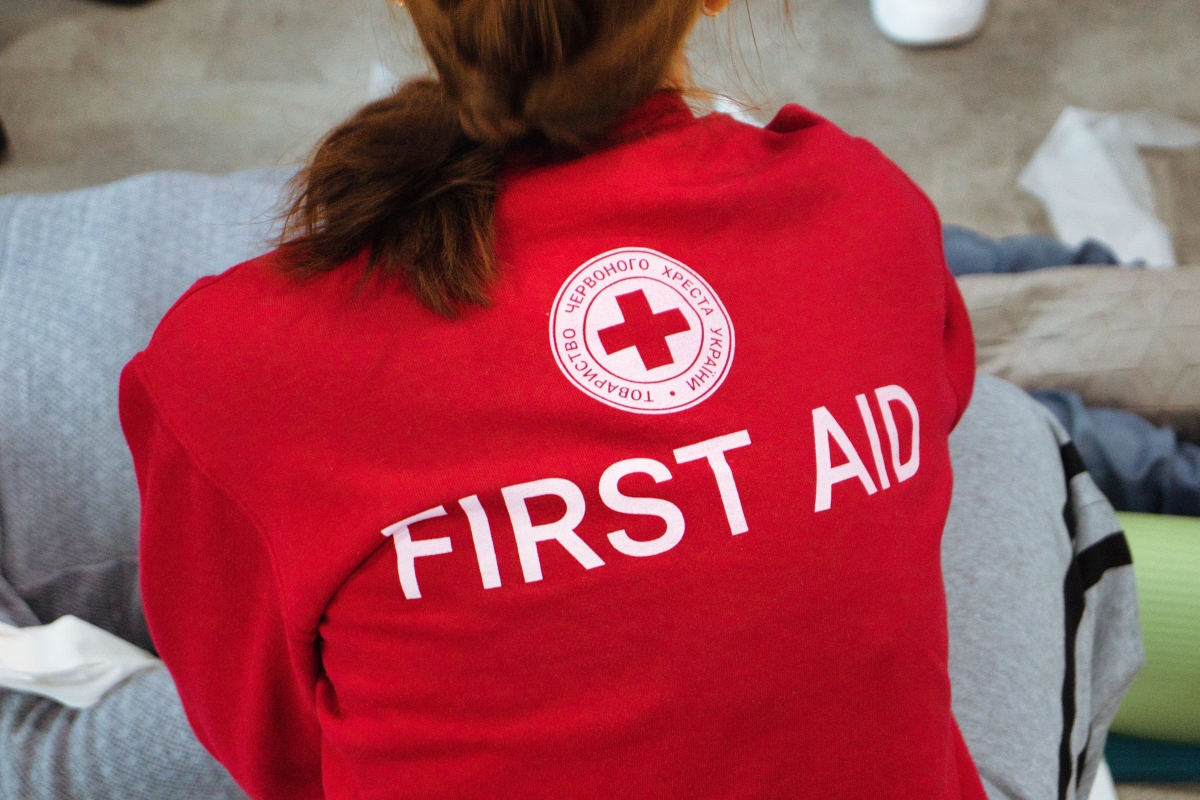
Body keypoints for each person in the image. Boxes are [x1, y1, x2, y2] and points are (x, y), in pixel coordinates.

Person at [115, 1, 1101, 798]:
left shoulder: (232, 368)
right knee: (1015, 437)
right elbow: (938, 415)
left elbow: (279, 757)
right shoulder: (864, 207)